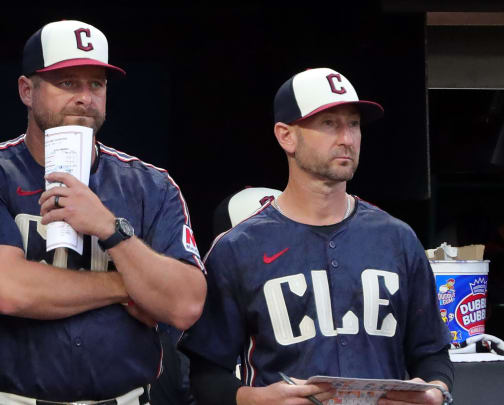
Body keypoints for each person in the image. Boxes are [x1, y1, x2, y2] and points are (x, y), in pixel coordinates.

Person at [0, 19, 207, 405]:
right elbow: (9, 291)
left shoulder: (151, 184)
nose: (85, 97)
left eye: (96, 84)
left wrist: (110, 229)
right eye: (68, 83)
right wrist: (129, 288)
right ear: (26, 90)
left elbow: (185, 305)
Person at [179, 67, 453, 405]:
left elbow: (432, 352)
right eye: (329, 124)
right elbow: (203, 374)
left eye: (353, 124)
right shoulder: (239, 248)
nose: (347, 138)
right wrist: (255, 399)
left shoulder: (397, 238)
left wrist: (436, 393)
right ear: (286, 136)